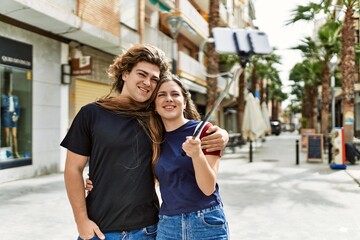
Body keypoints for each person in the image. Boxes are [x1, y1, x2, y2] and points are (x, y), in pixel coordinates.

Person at [61, 44, 229, 240]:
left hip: (148, 230)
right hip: (100, 230)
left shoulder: (156, 117)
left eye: (154, 79)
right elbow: (73, 169)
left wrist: (222, 134)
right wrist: (81, 221)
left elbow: (188, 127)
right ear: (125, 74)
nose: (147, 82)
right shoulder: (91, 114)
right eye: (142, 74)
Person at [1, 78, 20, 158]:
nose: (10, 90)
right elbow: (2, 107)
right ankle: (8, 153)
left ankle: (16, 152)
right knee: (7, 136)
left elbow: (17, 108)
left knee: (14, 135)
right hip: (6, 116)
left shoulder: (15, 98)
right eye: (8, 88)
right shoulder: (4, 97)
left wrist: (17, 116)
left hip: (13, 115)